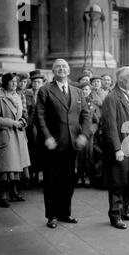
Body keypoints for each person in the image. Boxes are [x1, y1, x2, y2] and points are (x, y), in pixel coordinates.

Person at [36, 59, 91, 229]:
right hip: (53, 143)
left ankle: (64, 213)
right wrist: (47, 137)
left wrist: (84, 134)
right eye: (58, 67)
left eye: (64, 67)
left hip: (72, 143)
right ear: (53, 71)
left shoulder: (77, 91)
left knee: (69, 180)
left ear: (69, 71)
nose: (61, 69)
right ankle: (52, 215)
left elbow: (86, 115)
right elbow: (39, 116)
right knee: (52, 181)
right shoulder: (45, 90)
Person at [101, 66, 129, 230]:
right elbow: (110, 125)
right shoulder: (112, 97)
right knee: (117, 181)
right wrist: (117, 148)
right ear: (120, 79)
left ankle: (125, 210)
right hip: (120, 147)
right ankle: (115, 215)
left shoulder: (128, 96)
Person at [0, 73, 31, 208]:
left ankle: (13, 192)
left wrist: (23, 121)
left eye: (15, 81)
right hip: (6, 135)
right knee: (6, 168)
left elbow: (23, 113)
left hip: (18, 135)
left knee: (16, 166)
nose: (14, 84)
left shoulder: (17, 96)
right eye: (11, 82)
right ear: (5, 83)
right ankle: (2, 196)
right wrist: (13, 123)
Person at [76, 83, 101, 187]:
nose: (84, 91)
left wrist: (90, 131)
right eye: (83, 89)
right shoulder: (76, 103)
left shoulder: (93, 105)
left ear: (90, 91)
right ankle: (79, 176)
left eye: (87, 89)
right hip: (77, 133)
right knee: (78, 156)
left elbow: (96, 121)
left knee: (88, 155)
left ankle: (88, 176)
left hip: (89, 134)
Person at [25, 70, 46, 185]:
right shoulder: (26, 94)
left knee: (41, 151)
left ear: (42, 83)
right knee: (30, 150)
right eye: (34, 82)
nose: (37, 84)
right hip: (30, 126)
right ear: (31, 83)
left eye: (39, 82)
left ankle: (39, 175)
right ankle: (30, 175)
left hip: (42, 127)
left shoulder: (45, 93)